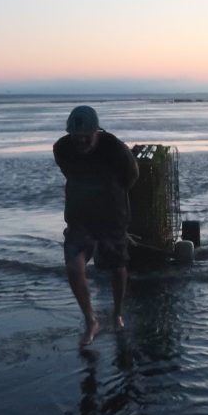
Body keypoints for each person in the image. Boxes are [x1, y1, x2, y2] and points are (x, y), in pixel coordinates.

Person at [54, 106, 139, 346]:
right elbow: (68, 173)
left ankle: (118, 312)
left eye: (86, 136)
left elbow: (131, 176)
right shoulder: (61, 148)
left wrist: (110, 193)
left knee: (118, 267)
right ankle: (91, 320)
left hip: (112, 217)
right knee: (73, 267)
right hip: (79, 218)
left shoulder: (114, 148)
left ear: (97, 131)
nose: (81, 140)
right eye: (76, 136)